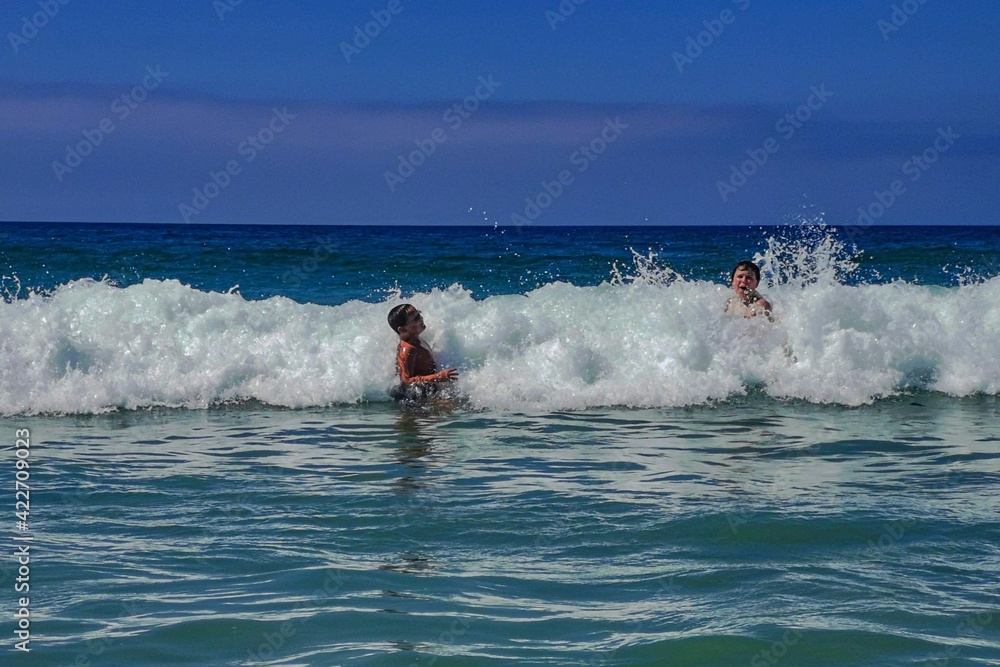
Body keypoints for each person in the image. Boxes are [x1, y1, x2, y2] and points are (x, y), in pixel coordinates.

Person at [387, 303, 458, 399]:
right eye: (416, 318)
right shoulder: (408, 349)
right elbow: (405, 382)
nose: (421, 318)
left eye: (419, 314)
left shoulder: (415, 339)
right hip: (420, 397)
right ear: (403, 329)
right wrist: (438, 377)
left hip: (429, 389)